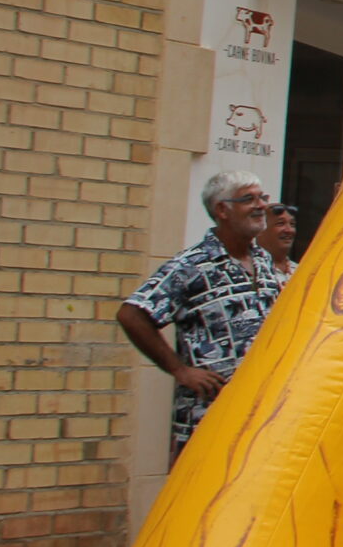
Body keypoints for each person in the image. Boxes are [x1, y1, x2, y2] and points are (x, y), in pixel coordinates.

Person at [117, 172, 286, 460]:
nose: (260, 206)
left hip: (261, 416)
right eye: (248, 199)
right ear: (222, 210)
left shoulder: (264, 260)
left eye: (263, 198)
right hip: (208, 418)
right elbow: (132, 314)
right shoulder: (192, 265)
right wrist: (180, 370)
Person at [261, 203, 299, 277]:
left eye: (292, 224)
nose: (289, 230)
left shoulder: (301, 271)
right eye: (280, 223)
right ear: (260, 231)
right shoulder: (252, 270)